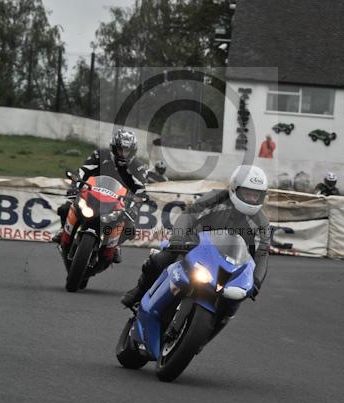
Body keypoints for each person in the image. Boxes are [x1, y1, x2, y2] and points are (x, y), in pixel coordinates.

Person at [121, 164, 271, 310]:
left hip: (229, 263)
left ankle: (217, 321)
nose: (251, 199)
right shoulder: (216, 198)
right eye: (247, 193)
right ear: (234, 188)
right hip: (194, 246)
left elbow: (262, 253)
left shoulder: (261, 222)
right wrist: (177, 241)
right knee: (159, 259)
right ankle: (139, 292)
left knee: (234, 299)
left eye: (256, 195)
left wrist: (256, 281)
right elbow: (188, 216)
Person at [54, 129, 148, 263]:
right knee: (65, 207)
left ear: (133, 152)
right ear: (113, 148)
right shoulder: (100, 155)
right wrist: (74, 186)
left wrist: (134, 206)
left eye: (127, 151)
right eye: (120, 150)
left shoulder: (138, 167)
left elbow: (141, 190)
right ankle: (63, 231)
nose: (123, 154)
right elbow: (82, 171)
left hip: (117, 202)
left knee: (129, 229)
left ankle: (115, 246)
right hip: (91, 193)